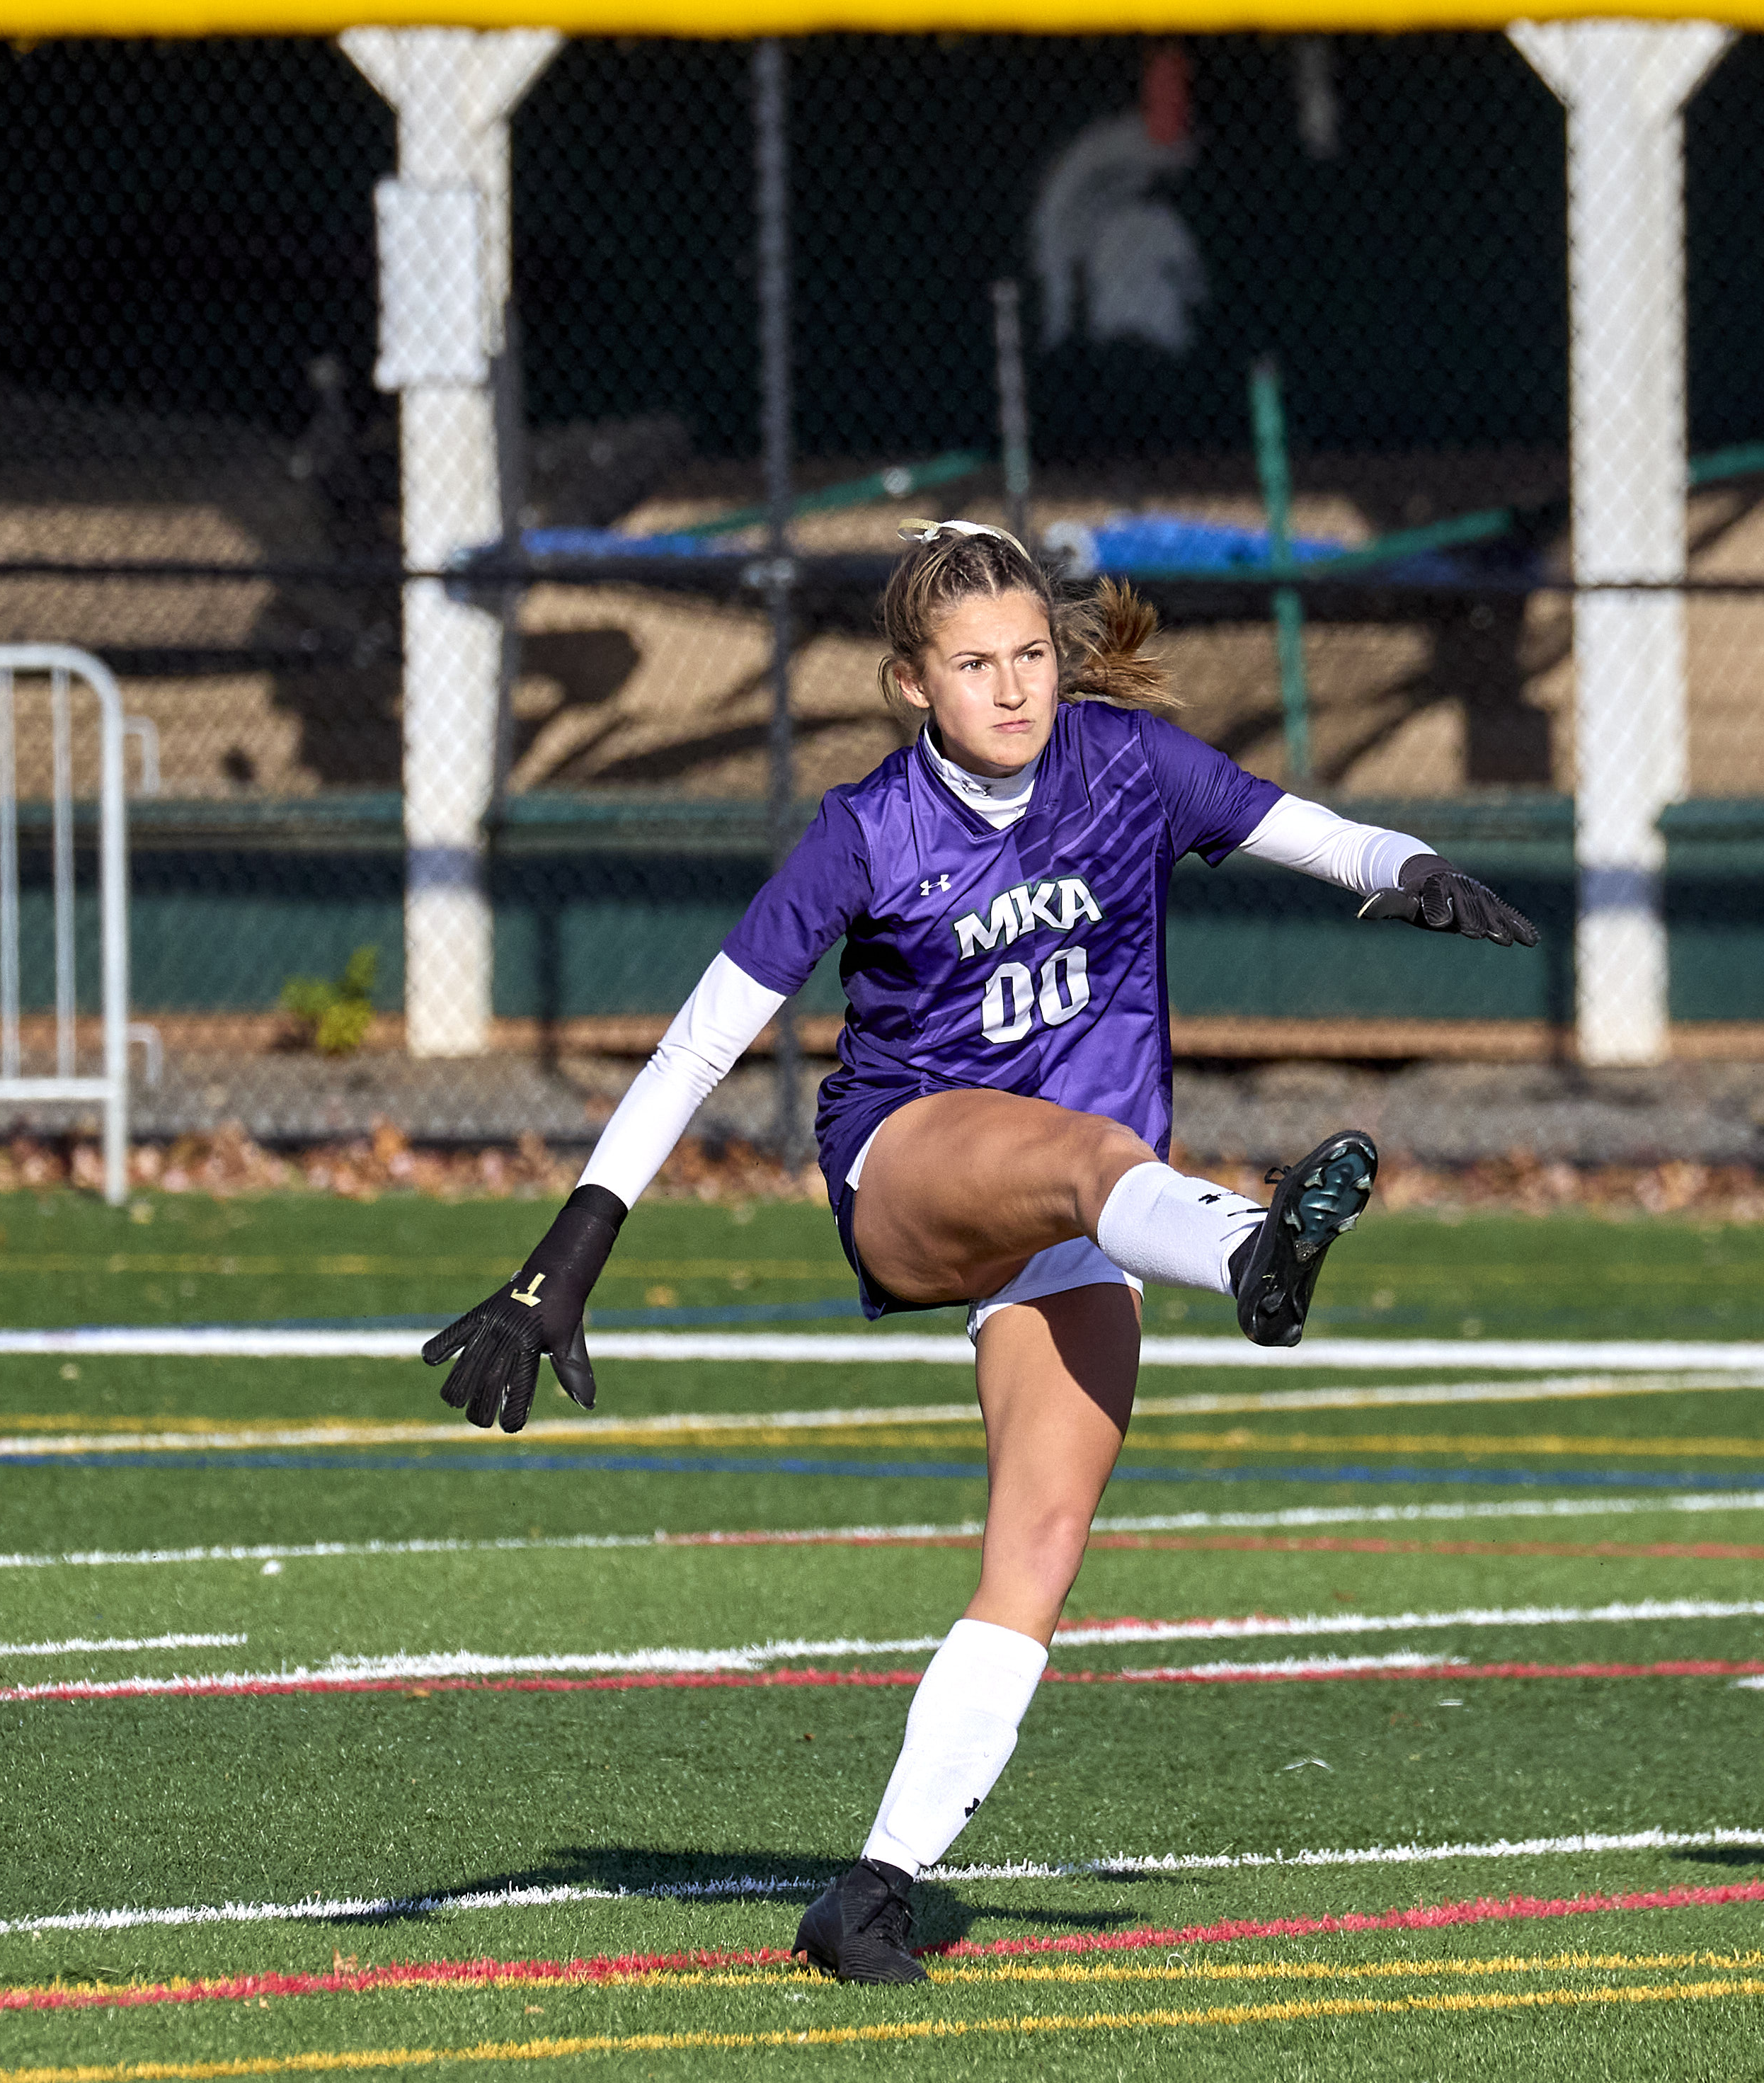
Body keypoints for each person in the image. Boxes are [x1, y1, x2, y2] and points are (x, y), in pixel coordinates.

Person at [424, 519, 1537, 1985]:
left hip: (1096, 1217)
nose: (1009, 688)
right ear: (909, 684)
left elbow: (1303, 831)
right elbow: (703, 1043)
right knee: (1086, 1154)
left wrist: (1411, 867)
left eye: (1028, 655)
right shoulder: (868, 828)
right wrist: (571, 1247)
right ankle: (1256, 1254)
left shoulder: (1124, 765)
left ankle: (873, 1890)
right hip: (919, 1169)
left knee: (1038, 1550)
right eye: (972, 664)